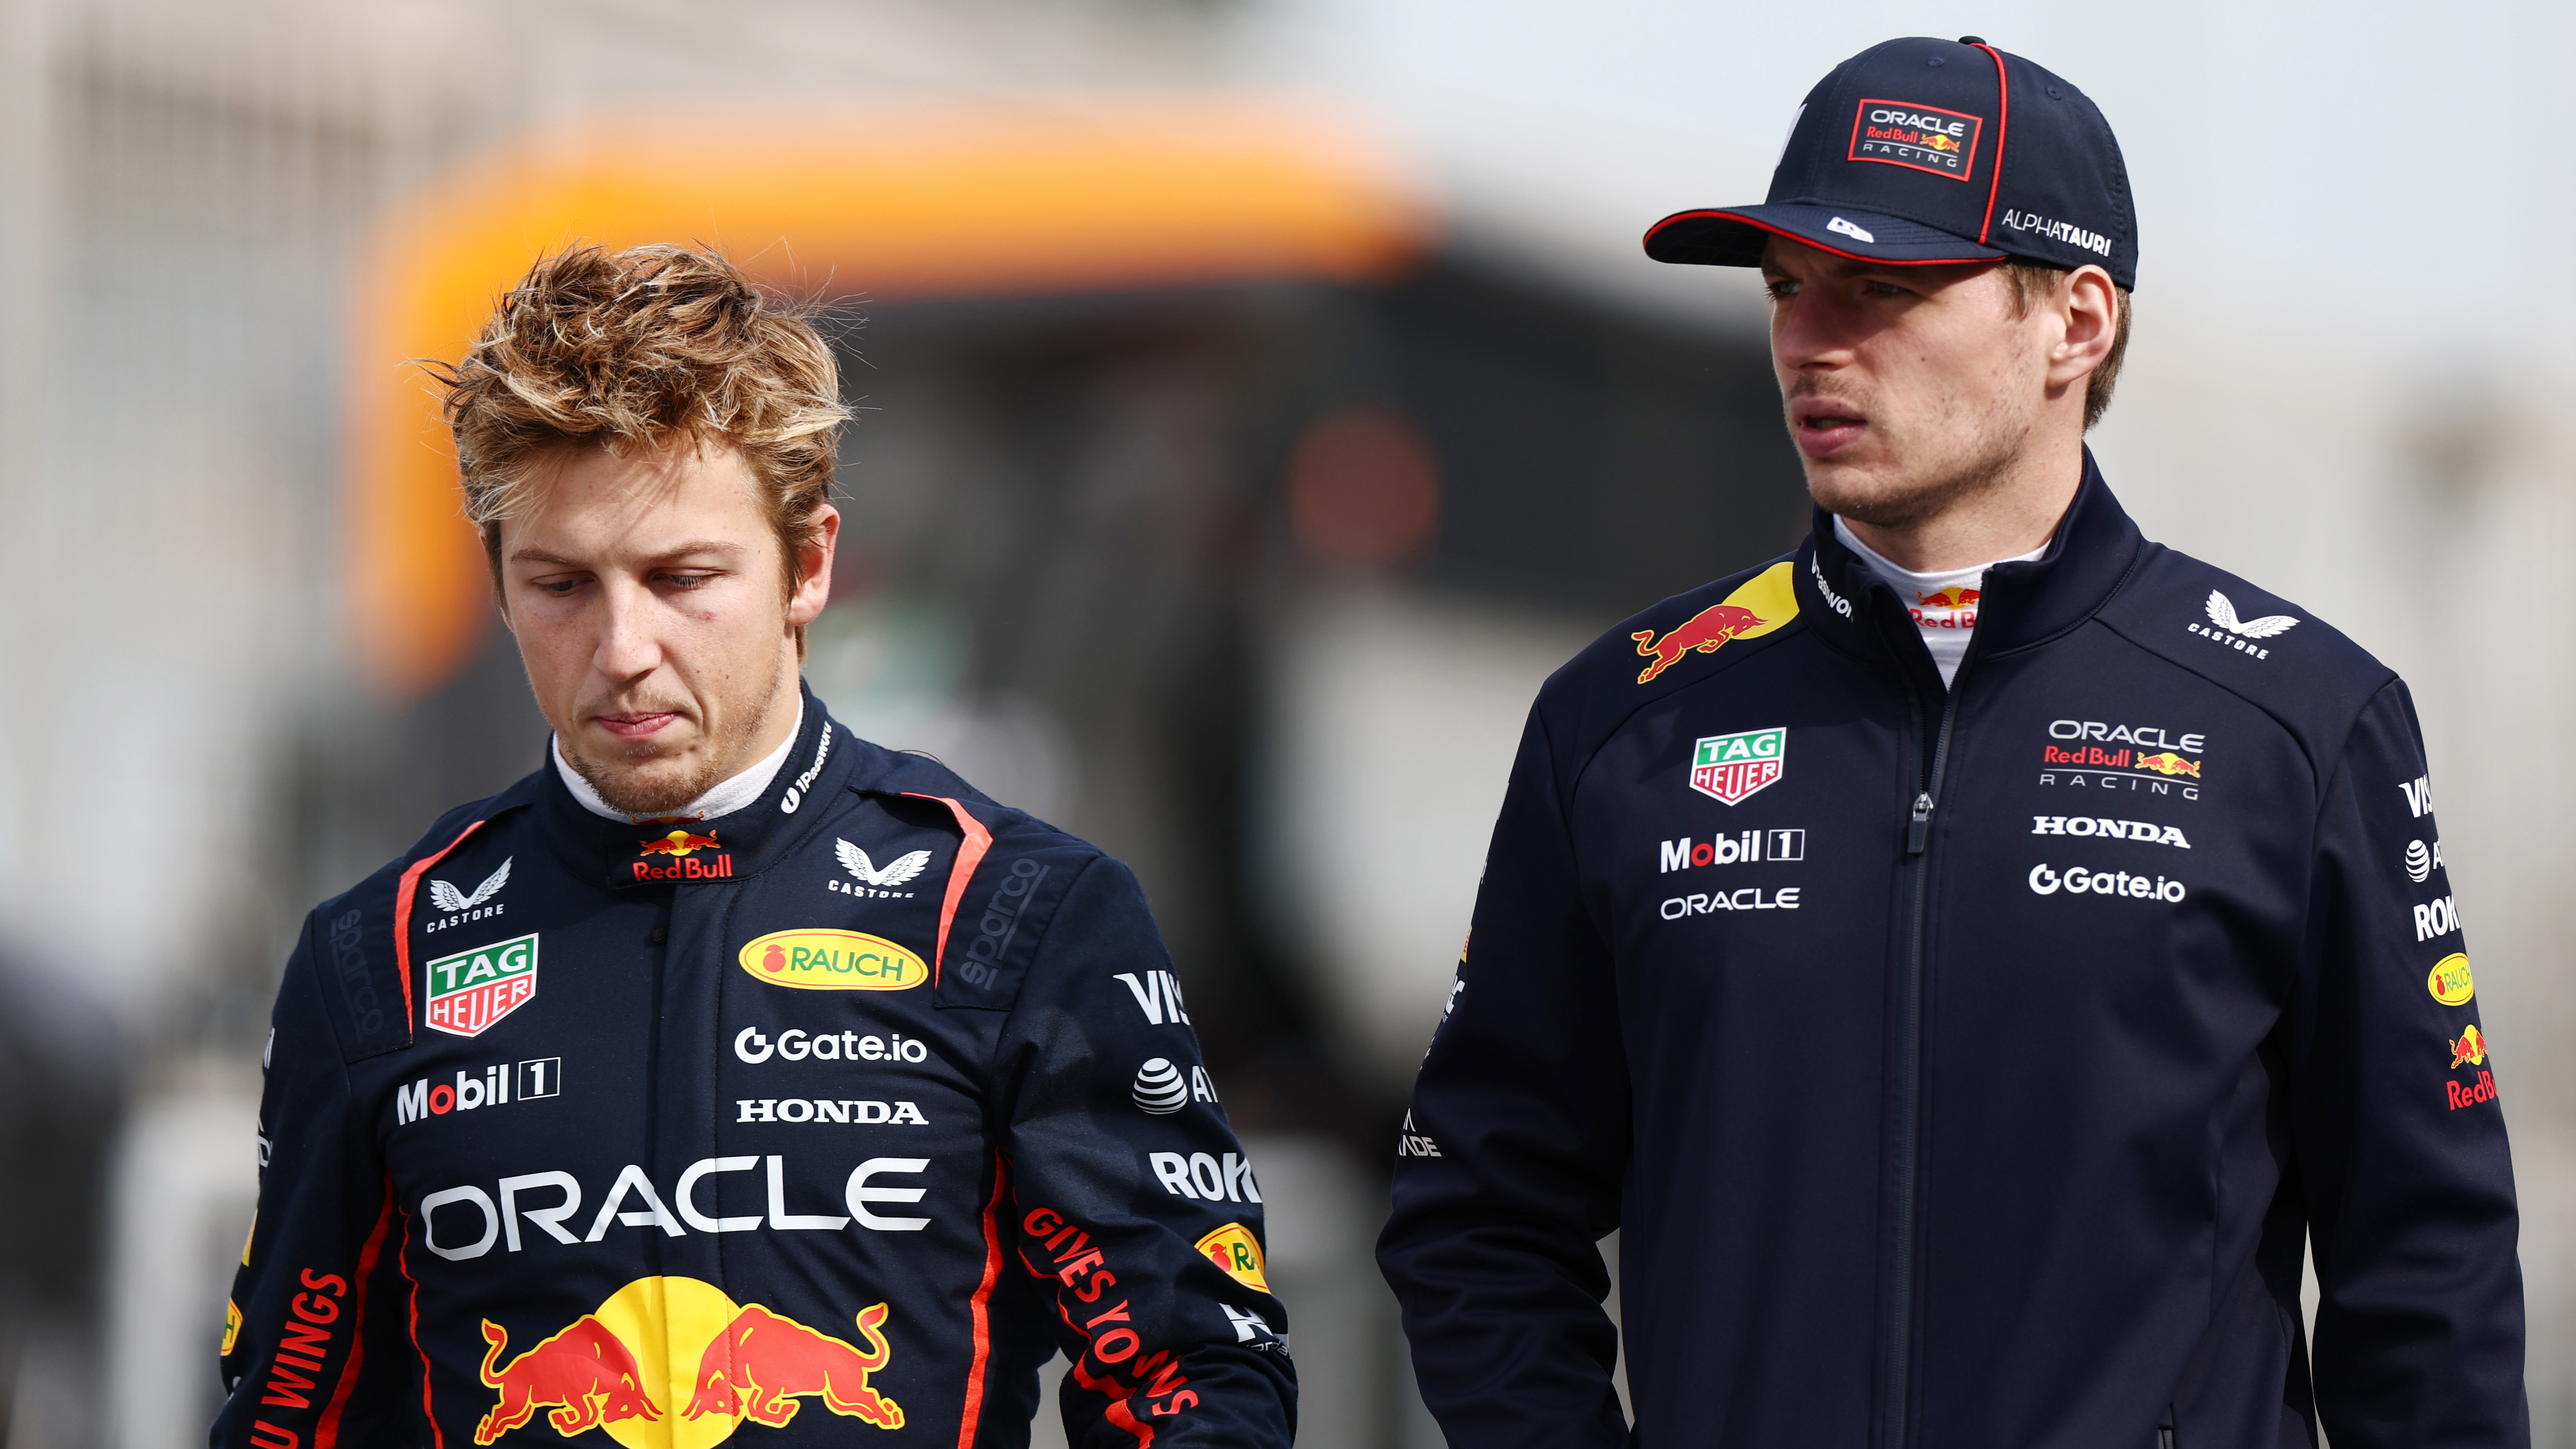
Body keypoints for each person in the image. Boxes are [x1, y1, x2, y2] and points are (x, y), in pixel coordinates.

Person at [1377, 35, 2524, 1449]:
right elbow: (1477, 1210)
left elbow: (2428, 1274)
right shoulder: (1623, 717)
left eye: (1886, 288)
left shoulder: (2298, 720)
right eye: (1787, 288)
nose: (1812, 341)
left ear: (2076, 323)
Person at [214, 244, 1293, 1448]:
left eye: (682, 578)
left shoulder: (1018, 912)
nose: (624, 649)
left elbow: (1190, 1376)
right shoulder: (380, 953)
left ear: (808, 565)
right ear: (500, 586)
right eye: (562, 585)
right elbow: (286, 1412)